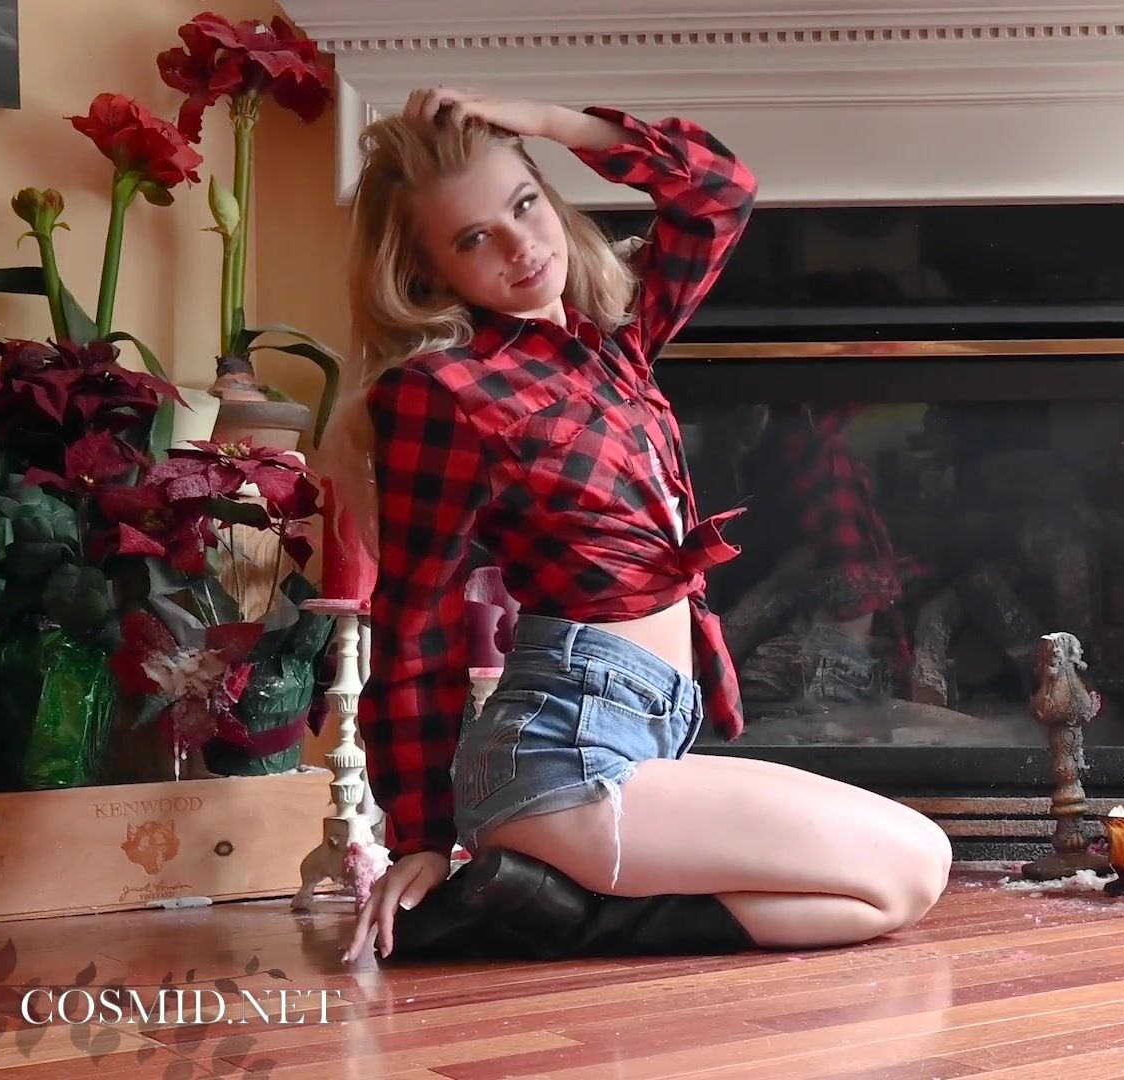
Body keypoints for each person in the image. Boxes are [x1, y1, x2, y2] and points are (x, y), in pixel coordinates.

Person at [326, 88, 952, 964]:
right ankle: (518, 902)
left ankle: (542, 907)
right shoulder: (442, 393)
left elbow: (718, 193)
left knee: (898, 880)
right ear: (427, 273)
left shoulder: (613, 345)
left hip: (641, 737)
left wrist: (544, 121)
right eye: (474, 239)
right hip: (563, 756)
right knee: (910, 870)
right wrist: (421, 836)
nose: (520, 246)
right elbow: (416, 621)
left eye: (524, 204)